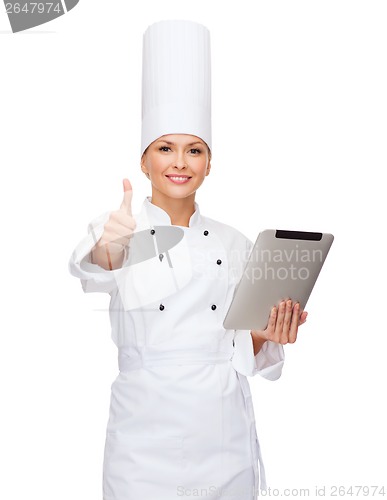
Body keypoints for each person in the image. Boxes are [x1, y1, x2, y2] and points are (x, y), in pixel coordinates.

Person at [68, 20, 307, 500]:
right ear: (144, 160)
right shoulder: (118, 226)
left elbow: (246, 348)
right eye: (165, 148)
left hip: (221, 428)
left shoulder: (236, 242)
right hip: (145, 432)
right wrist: (109, 250)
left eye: (194, 150)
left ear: (209, 162)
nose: (180, 162)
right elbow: (90, 269)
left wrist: (266, 335)